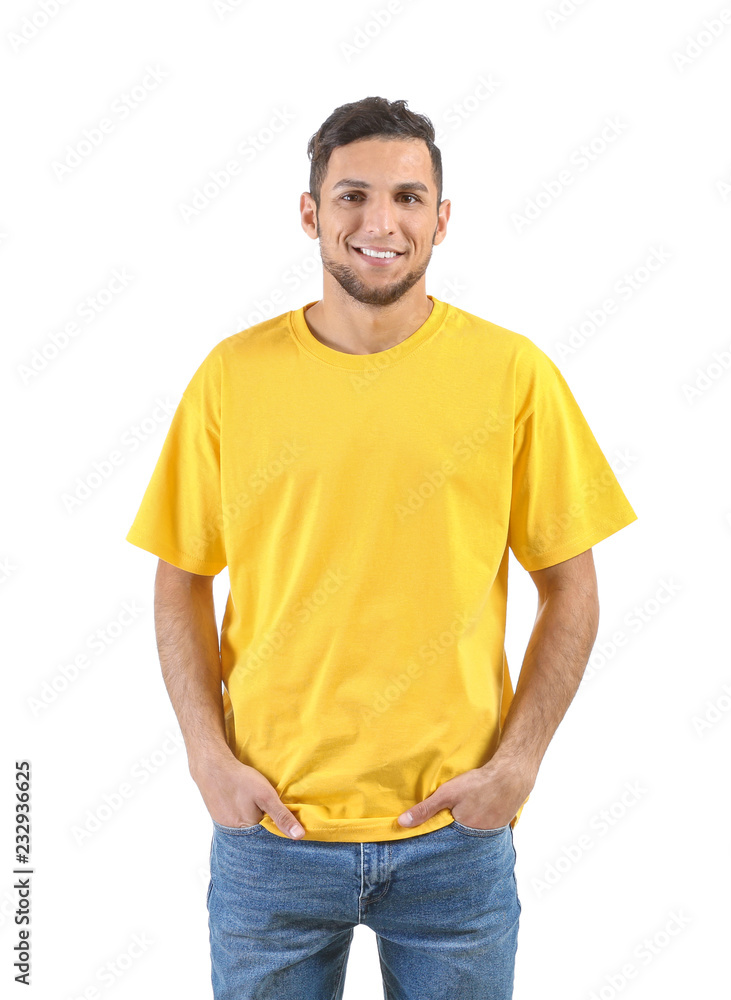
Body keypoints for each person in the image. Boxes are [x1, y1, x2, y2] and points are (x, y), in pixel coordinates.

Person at [125, 96, 638, 1000]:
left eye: (408, 198)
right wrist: (207, 757)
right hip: (271, 835)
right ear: (310, 212)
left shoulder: (512, 374)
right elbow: (181, 578)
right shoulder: (231, 377)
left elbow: (573, 588)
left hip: (455, 842)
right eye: (352, 195)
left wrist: (516, 769)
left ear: (442, 219)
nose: (380, 223)